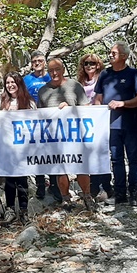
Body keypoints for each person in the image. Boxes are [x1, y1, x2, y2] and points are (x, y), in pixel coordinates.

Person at [38, 58, 95, 211]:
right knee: (60, 169)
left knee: (81, 166)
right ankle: (65, 199)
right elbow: (38, 116)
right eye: (50, 71)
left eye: (57, 69)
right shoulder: (43, 91)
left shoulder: (74, 86)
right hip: (54, 138)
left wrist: (70, 108)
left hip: (76, 135)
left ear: (63, 69)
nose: (54, 73)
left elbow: (86, 108)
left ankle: (87, 197)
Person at [93, 42, 137, 206]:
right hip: (110, 125)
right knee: (116, 159)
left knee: (134, 158)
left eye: (113, 53)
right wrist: (95, 109)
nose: (110, 55)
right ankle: (120, 193)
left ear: (124, 56)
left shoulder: (134, 74)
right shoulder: (104, 74)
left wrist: (123, 103)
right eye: (109, 52)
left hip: (131, 124)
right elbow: (98, 97)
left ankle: (135, 192)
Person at [0, 71, 36, 223]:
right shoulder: (1, 100)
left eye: (13, 82)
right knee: (9, 179)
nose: (10, 85)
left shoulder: (28, 101)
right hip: (6, 147)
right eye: (8, 83)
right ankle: (10, 209)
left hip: (23, 147)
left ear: (19, 84)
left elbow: (34, 123)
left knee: (22, 178)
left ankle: (23, 211)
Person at [78, 54, 112, 202]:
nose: (89, 66)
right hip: (84, 122)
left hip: (100, 119)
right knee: (88, 153)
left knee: (102, 152)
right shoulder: (79, 82)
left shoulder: (103, 78)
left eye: (92, 63)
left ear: (98, 64)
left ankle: (106, 186)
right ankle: (92, 187)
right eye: (86, 63)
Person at [23, 51, 54, 201]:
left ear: (45, 62)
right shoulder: (26, 79)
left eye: (40, 60)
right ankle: (40, 185)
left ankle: (54, 185)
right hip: (33, 121)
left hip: (51, 120)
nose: (37, 63)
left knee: (52, 152)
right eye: (34, 61)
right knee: (38, 153)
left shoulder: (51, 76)